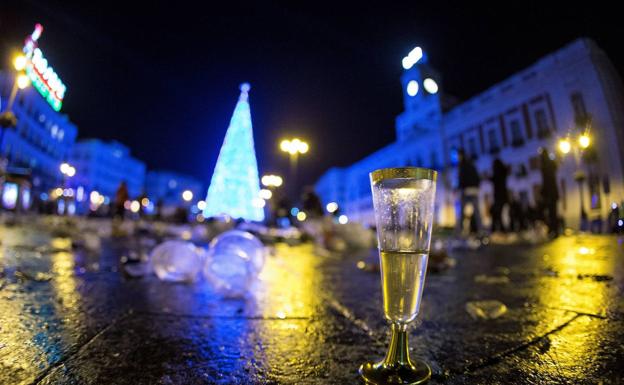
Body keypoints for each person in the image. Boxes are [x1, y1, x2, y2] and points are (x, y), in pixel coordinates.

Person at [457, 149, 482, 235]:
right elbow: (477, 177)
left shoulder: (462, 165)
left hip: (466, 190)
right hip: (474, 190)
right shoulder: (471, 164)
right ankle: (480, 230)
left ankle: (460, 231)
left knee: (462, 212)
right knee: (477, 212)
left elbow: (461, 178)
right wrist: (477, 186)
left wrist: (459, 187)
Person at [539, 148, 559, 237]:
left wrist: (544, 192)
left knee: (551, 213)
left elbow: (546, 181)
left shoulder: (546, 165)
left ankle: (553, 229)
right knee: (552, 212)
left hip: (550, 193)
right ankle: (553, 229)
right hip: (552, 192)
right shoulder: (549, 164)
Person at [490, 158, 509, 233]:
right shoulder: (503, 172)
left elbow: (495, 180)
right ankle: (501, 228)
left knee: (498, 213)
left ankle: (500, 228)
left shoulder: (498, 173)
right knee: (500, 213)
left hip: (499, 196)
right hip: (502, 195)